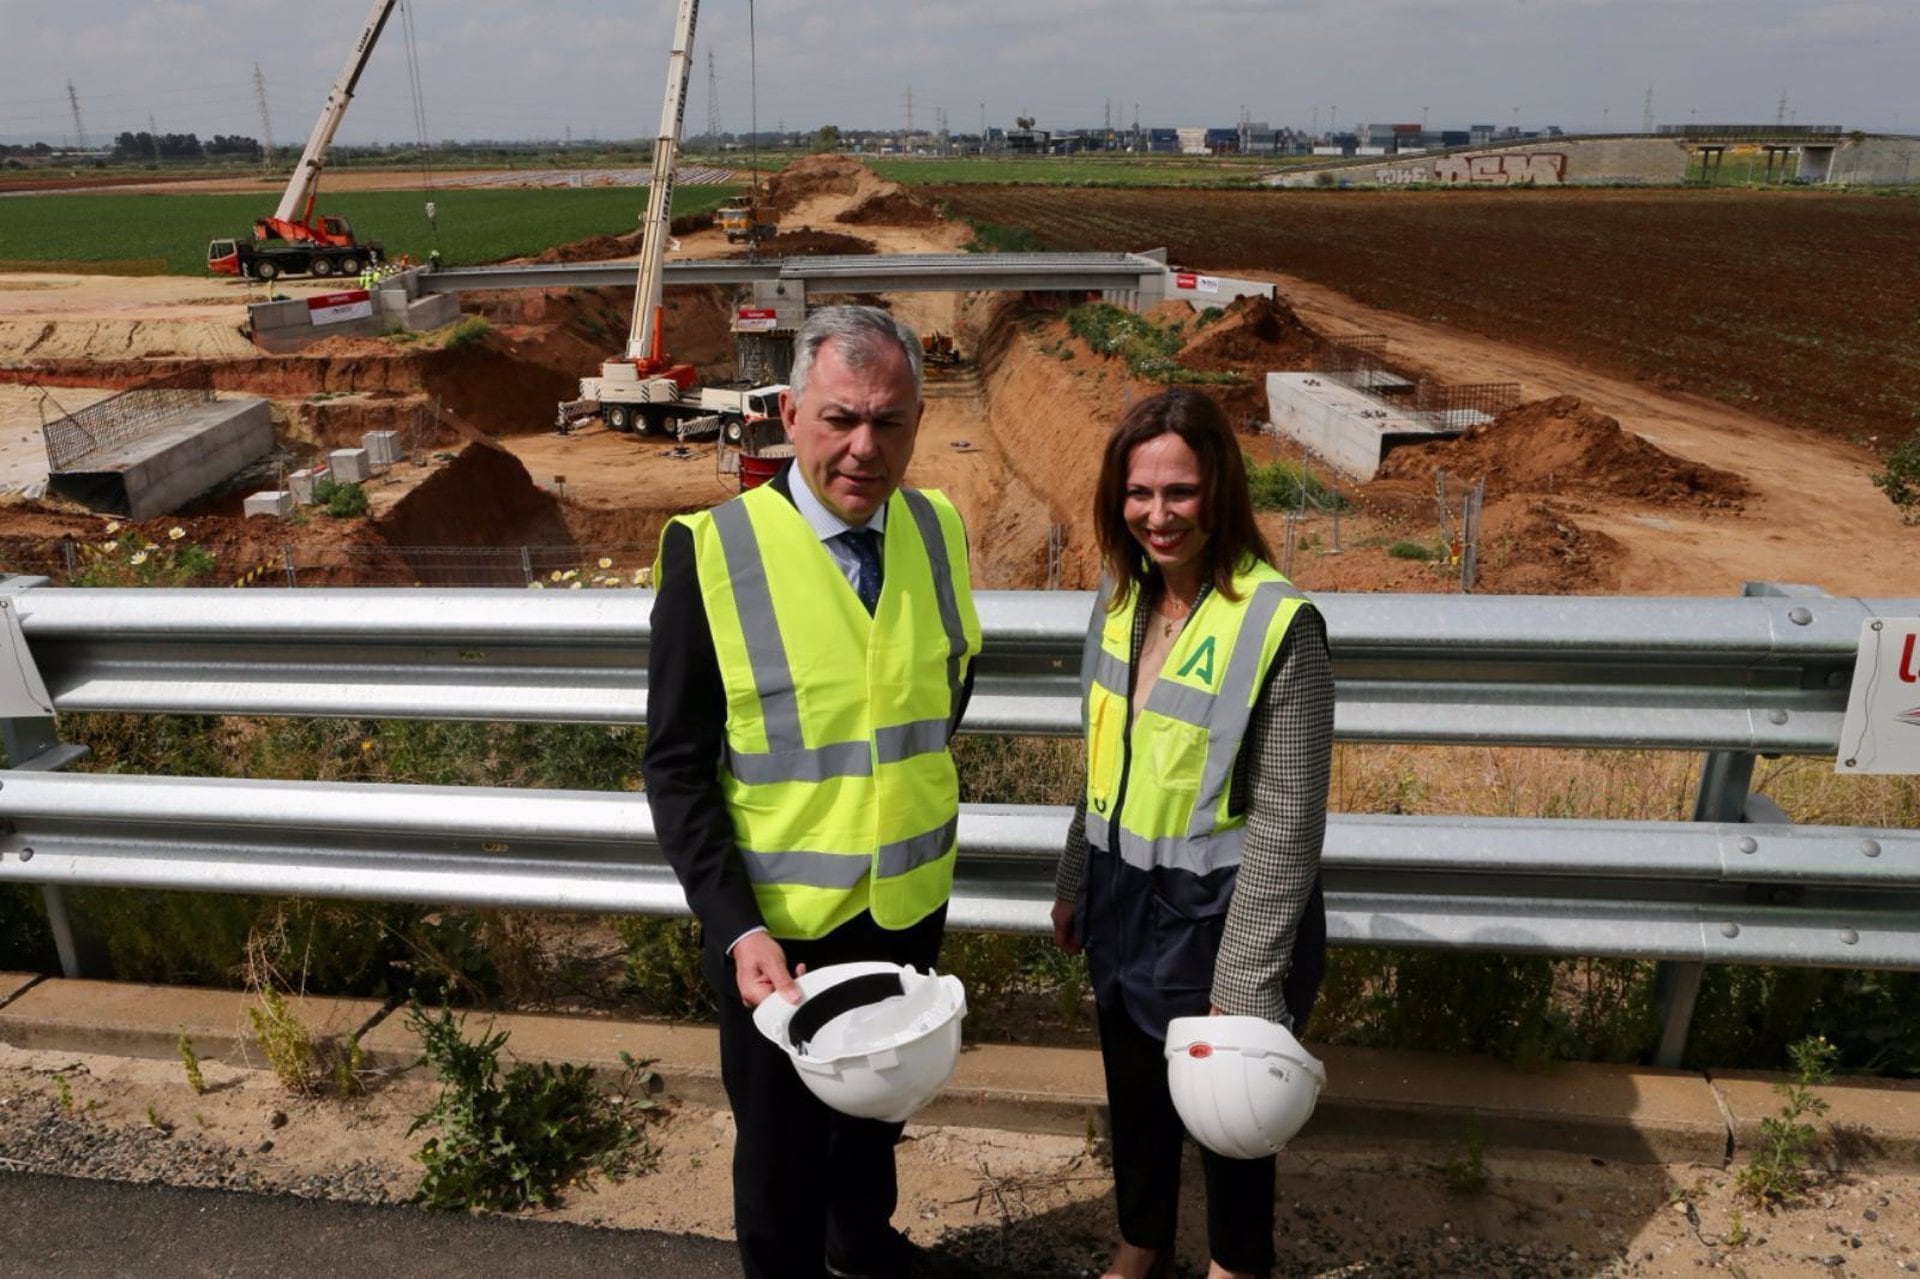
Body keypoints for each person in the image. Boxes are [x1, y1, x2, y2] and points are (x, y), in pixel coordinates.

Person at [642, 304, 982, 1279]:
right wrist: (734, 924)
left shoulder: (939, 528)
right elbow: (676, 765)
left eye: (889, 421)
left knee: (876, 1116)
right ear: (788, 414)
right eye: (840, 418)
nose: (864, 448)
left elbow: (945, 691)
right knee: (782, 1159)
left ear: (918, 420)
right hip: (775, 932)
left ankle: (862, 1246)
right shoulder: (712, 553)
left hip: (904, 902)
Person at [1051, 389, 1335, 1279]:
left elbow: (1290, 823)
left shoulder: (1278, 623)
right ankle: (1142, 1243)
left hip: (1224, 916)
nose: (1158, 514)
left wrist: (1247, 978)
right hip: (1123, 903)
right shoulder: (1119, 597)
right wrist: (1074, 879)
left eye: (1180, 491)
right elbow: (1105, 760)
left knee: (1229, 1115)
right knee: (1135, 1099)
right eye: (1140, 493)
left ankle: (1236, 1266)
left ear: (1220, 490)